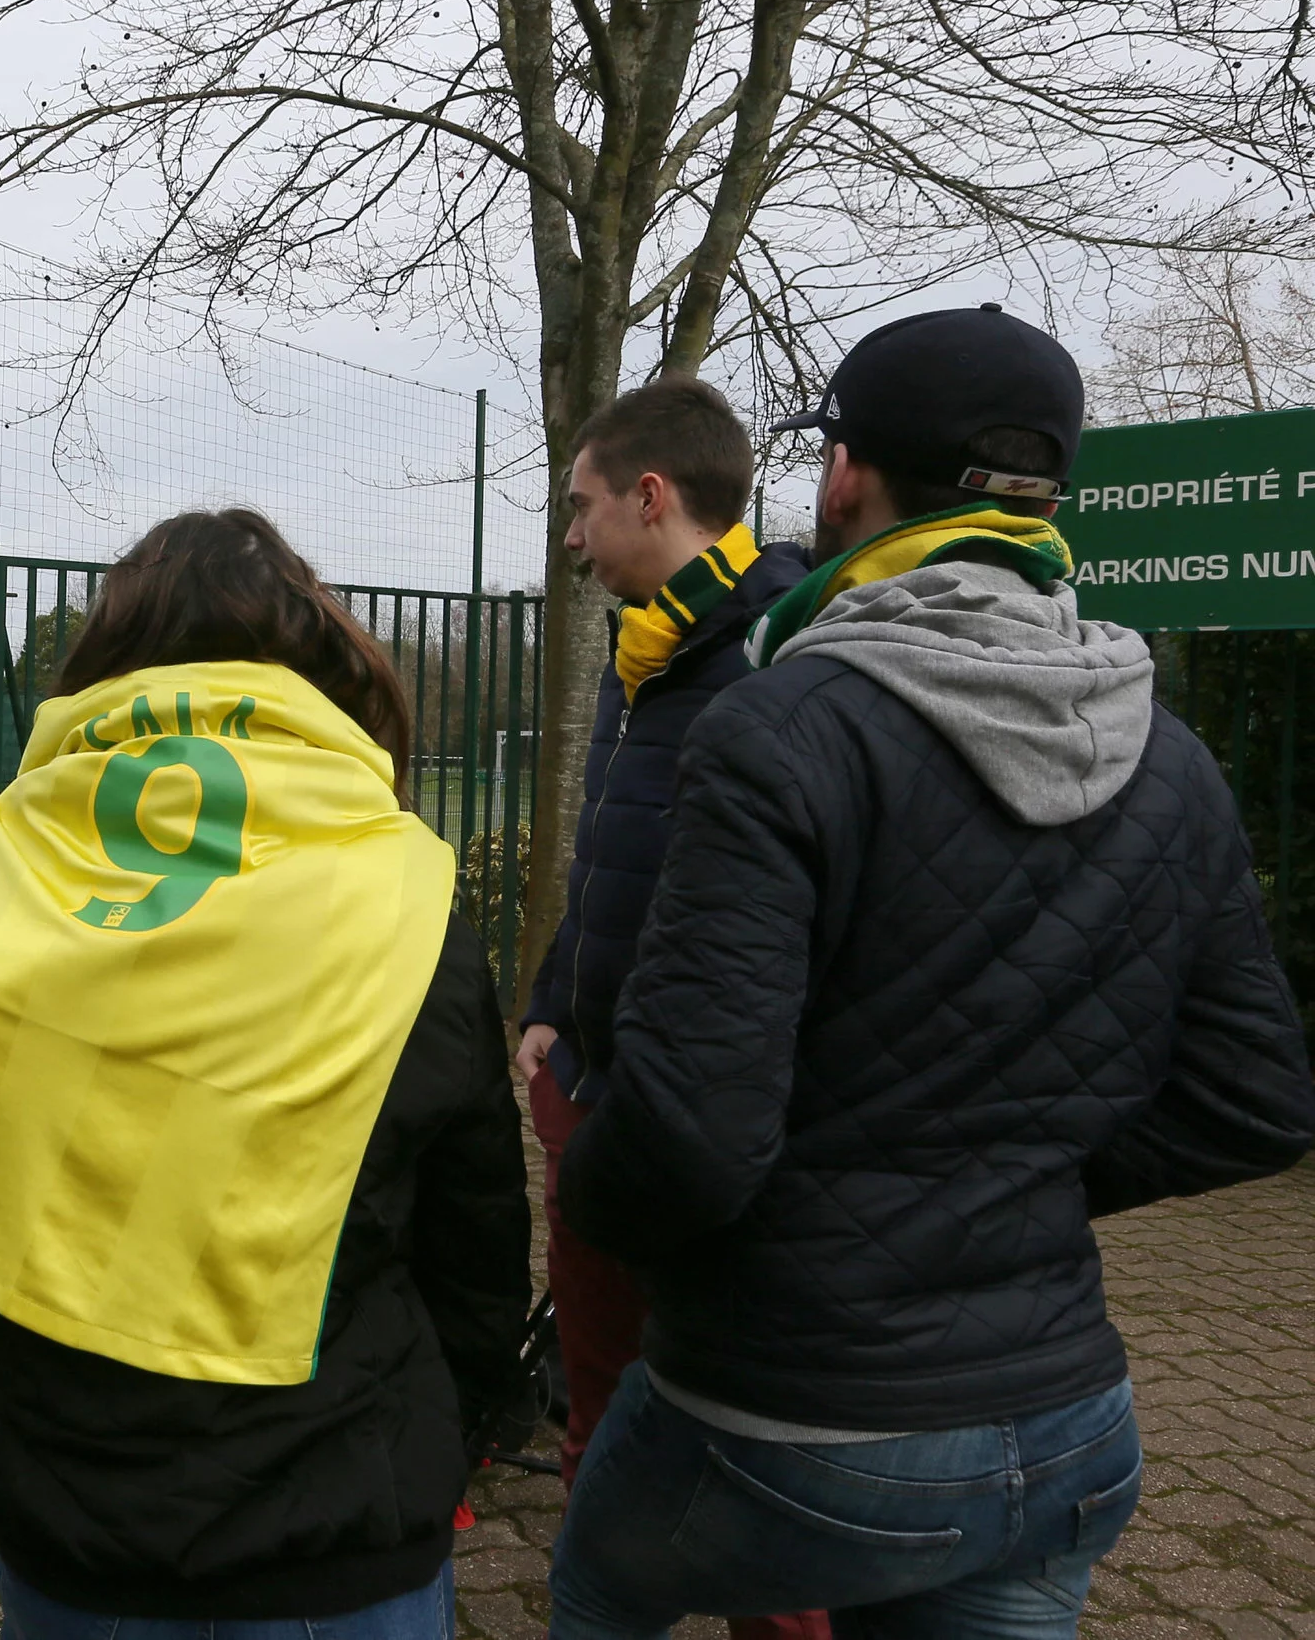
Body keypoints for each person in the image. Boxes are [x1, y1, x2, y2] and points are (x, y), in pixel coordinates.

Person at [548, 306, 1315, 1638]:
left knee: (598, 1580)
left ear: (846, 474)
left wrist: (587, 1185)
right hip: (1069, 1431)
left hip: (800, 1417)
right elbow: (1257, 1097)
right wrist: (1005, 1181)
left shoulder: (778, 725)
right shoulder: (1170, 753)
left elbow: (690, 1135)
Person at [0, 509, 532, 1635]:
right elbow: (474, 1237)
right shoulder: (403, 888)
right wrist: (436, 1432)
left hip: (66, 1525)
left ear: (105, 652)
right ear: (317, 653)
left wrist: (27, 1391)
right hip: (341, 1528)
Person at [514, 379, 824, 1640]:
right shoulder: (640, 651)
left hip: (714, 1122)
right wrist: (549, 1004)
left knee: (747, 1435)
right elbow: (610, 856)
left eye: (581, 508)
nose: (572, 538)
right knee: (599, 1404)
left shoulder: (787, 653)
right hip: (588, 1097)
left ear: (651, 495)